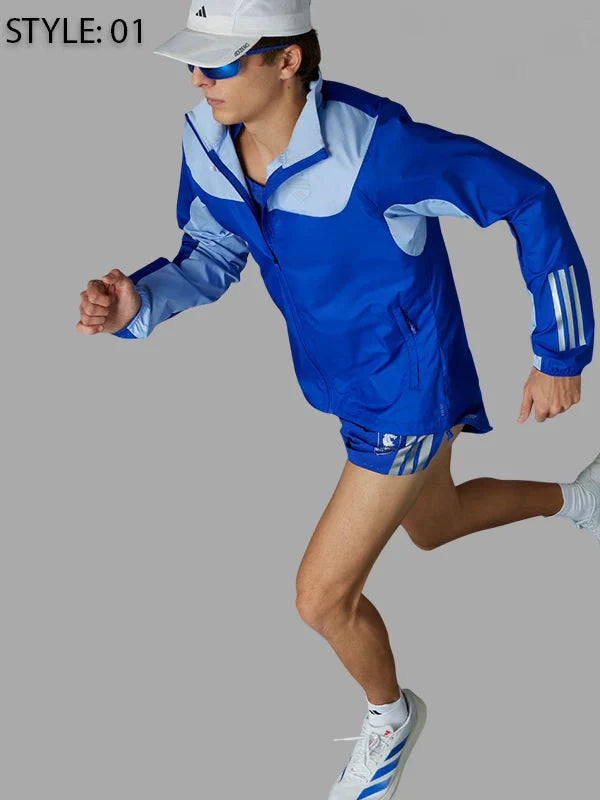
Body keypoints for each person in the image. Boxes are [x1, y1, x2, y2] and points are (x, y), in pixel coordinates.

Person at [75, 1, 599, 797]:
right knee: (435, 525)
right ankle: (582, 500)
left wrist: (559, 351)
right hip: (346, 385)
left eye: (220, 62)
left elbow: (525, 197)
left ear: (286, 60)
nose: (199, 79)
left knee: (320, 597)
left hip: (406, 391)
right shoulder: (207, 141)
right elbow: (213, 250)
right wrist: (136, 304)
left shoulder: (378, 150)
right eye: (194, 60)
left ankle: (392, 717)